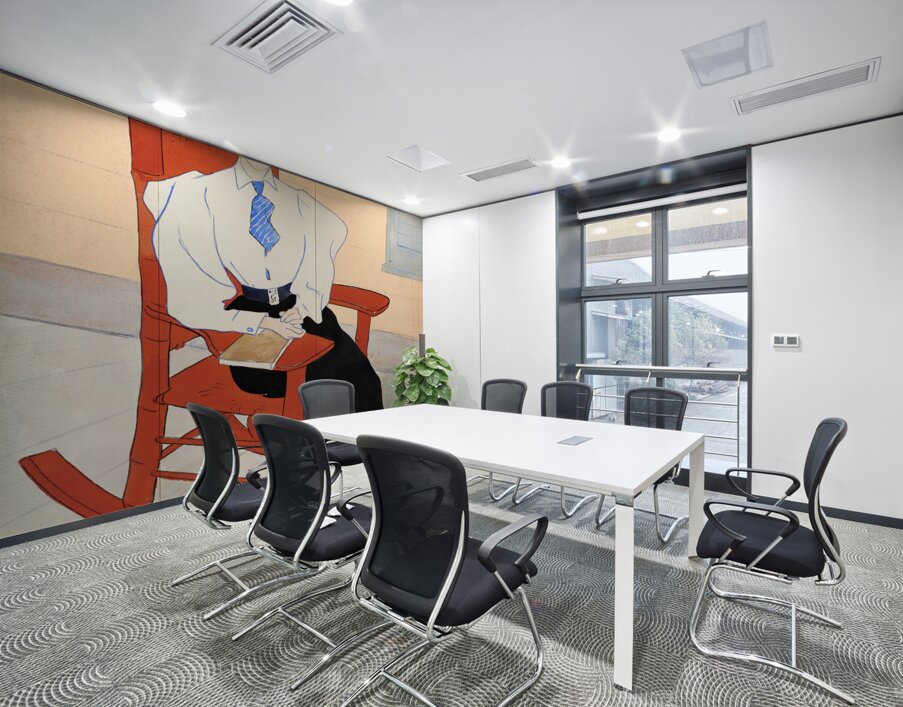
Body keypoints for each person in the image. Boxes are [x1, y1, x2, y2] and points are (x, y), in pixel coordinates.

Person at [144, 155, 383, 409]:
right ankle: (310, 445)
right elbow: (191, 295)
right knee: (312, 382)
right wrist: (263, 322)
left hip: (297, 308)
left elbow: (322, 252)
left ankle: (365, 448)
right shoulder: (201, 194)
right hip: (252, 312)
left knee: (362, 379)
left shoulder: (299, 202)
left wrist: (301, 308)